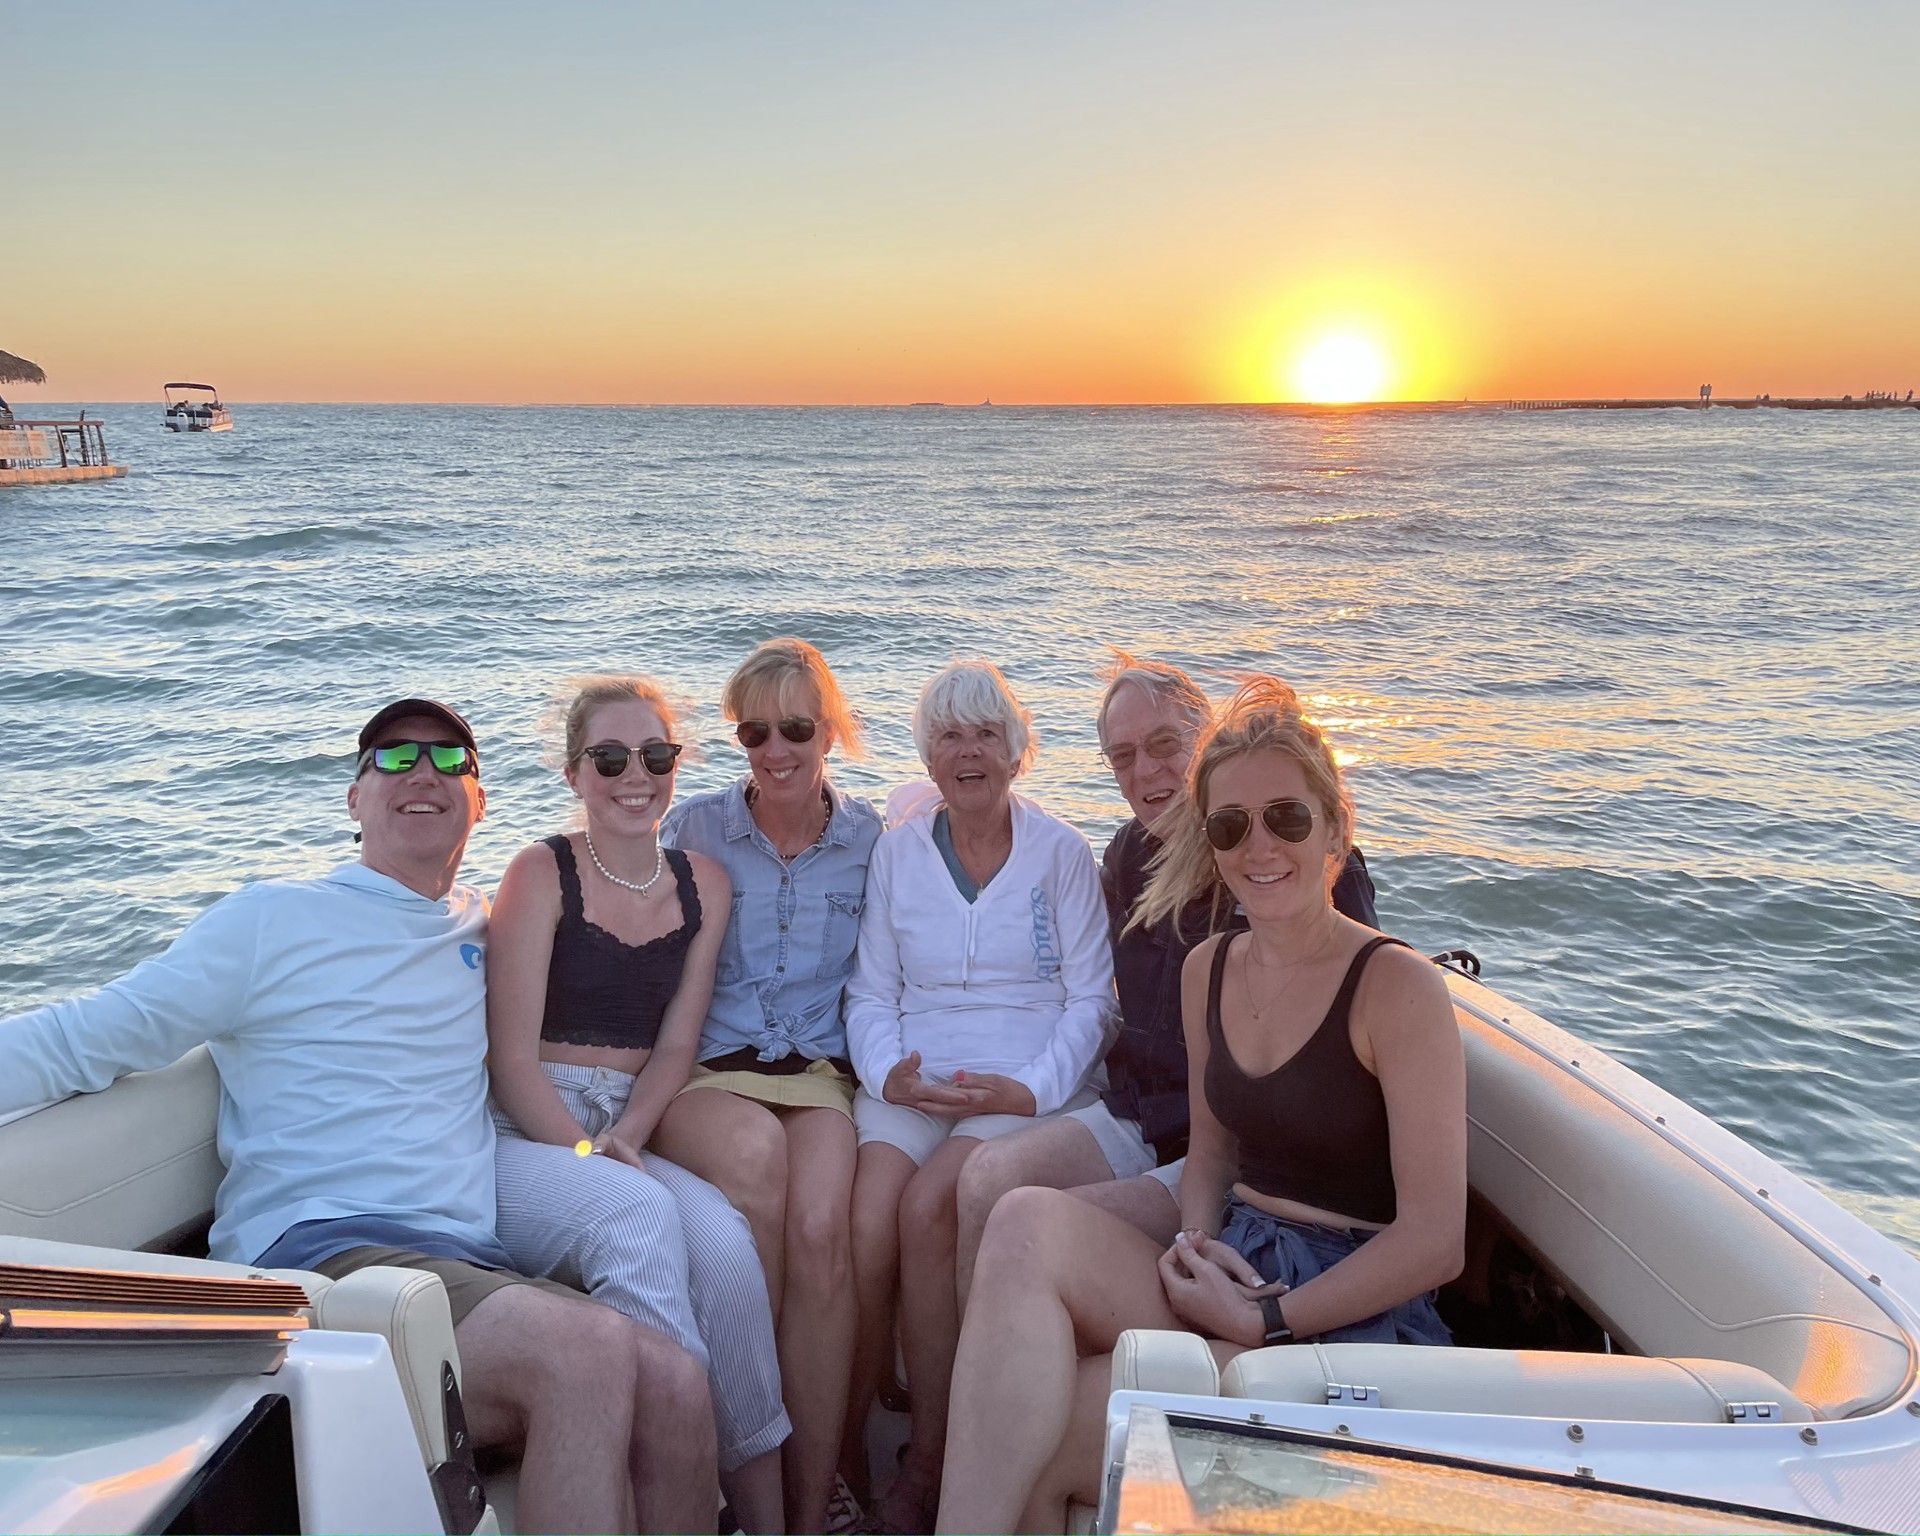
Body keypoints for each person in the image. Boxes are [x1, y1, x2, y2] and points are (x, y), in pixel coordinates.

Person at [0, 698, 718, 1535]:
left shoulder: (486, 929)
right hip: (321, 1263)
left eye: (453, 761)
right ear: (353, 798)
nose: (424, 773)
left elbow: (606, 971)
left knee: (676, 1381)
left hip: (462, 1265)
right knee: (586, 1350)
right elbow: (83, 1037)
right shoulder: (274, 919)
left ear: (481, 803)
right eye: (393, 757)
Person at [939, 678, 1465, 1534]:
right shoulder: (1210, 970)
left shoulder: (1395, 988)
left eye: (1286, 818)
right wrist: (1194, 1246)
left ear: (1335, 825)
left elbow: (1436, 1243)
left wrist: (1267, 1318)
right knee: (1019, 1219)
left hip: (1344, 1307)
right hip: (1236, 1248)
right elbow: (1214, 1155)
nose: (1259, 846)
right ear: (1208, 838)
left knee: (1046, 1437)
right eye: (1229, 826)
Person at [954, 654, 1379, 1292]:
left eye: (1163, 745)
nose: (1144, 771)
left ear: (1207, 740)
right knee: (985, 1181)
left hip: (1230, 1147)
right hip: (1142, 1113)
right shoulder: (1129, 853)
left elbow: (1347, 1008)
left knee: (1025, 1227)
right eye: (1122, 757)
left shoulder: (1291, 866)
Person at [485, 676, 789, 1532]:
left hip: (627, 1127)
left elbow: (676, 1047)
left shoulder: (705, 884)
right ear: (575, 772)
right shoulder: (539, 871)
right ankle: (699, 1506)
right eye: (610, 757)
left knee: (728, 1255)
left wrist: (627, 1136)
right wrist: (586, 1156)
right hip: (526, 1133)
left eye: (655, 756)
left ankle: (769, 1517)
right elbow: (510, 1063)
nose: (635, 776)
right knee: (638, 1216)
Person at [842, 660, 1117, 1533]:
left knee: (929, 1208)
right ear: (928, 757)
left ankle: (932, 1458)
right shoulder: (897, 852)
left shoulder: (1061, 853)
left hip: (1015, 1079)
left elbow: (1094, 1003)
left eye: (987, 734)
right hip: (911, 1075)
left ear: (1016, 751)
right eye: (950, 736)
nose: (969, 752)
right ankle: (843, 1438)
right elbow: (869, 993)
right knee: (862, 1215)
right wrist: (888, 1071)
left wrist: (1031, 1089)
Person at [654, 638, 883, 1535]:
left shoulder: (871, 840)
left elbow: (898, 971)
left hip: (820, 1074)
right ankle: (753, 1456)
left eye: (796, 728)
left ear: (829, 730)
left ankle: (812, 1484)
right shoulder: (698, 830)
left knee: (826, 1228)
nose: (776, 751)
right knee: (754, 1164)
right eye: (755, 732)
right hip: (711, 1069)